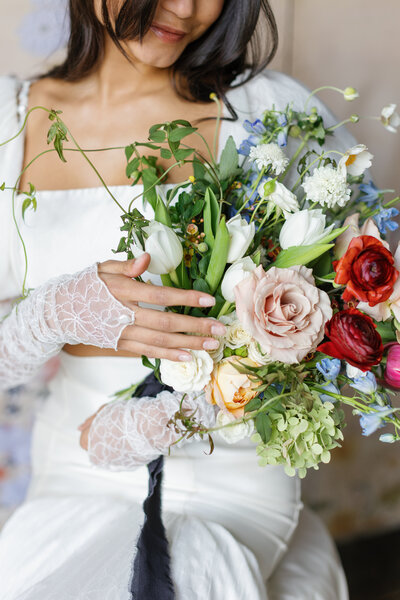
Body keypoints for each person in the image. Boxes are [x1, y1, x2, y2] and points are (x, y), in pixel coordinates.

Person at [0, 1, 352, 598]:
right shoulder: (10, 123)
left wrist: (185, 414)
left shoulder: (270, 114)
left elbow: (361, 328)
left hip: (232, 477)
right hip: (75, 465)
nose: (186, 8)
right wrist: (48, 317)